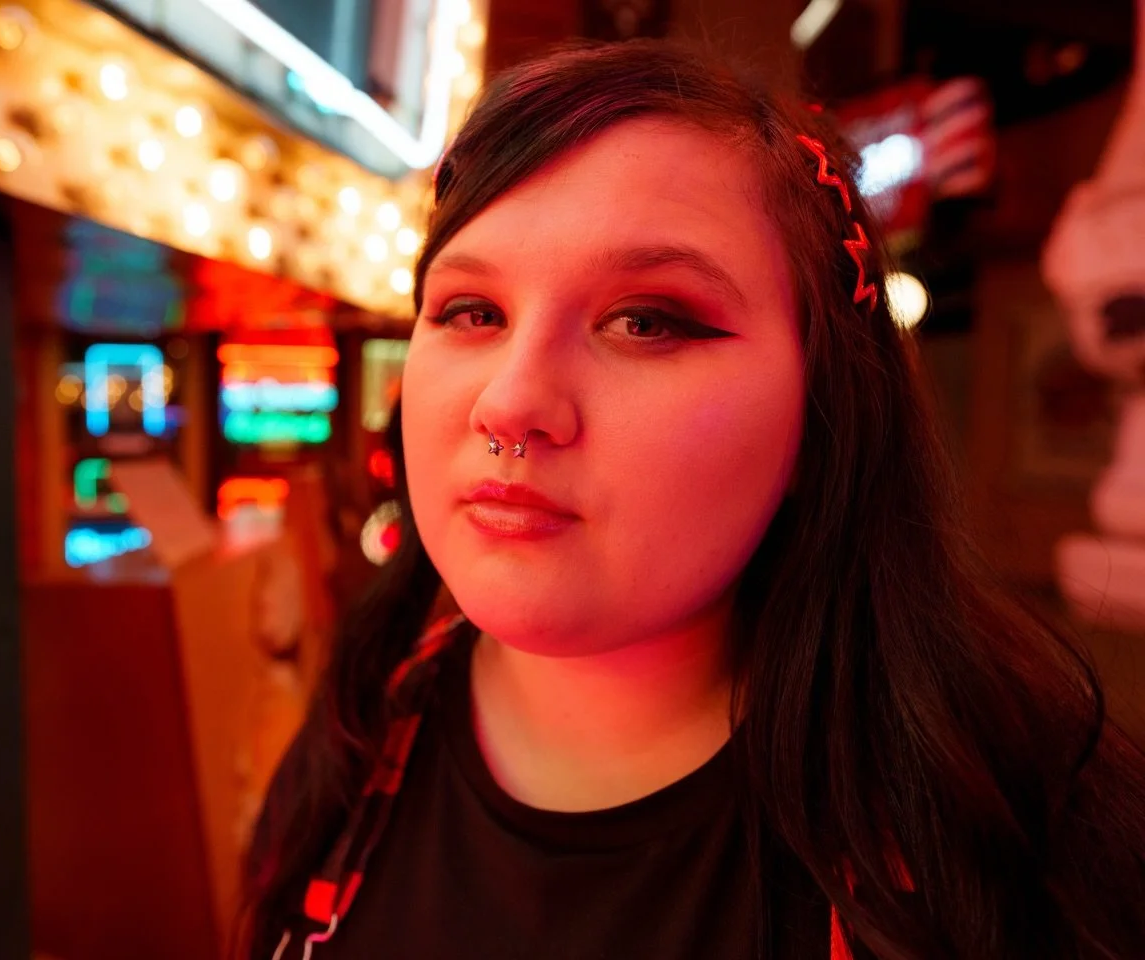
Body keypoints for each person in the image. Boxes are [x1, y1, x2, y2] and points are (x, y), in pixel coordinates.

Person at [240, 38, 1145, 960]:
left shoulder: (1011, 855)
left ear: (823, 411)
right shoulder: (358, 728)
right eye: (474, 312)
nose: (509, 403)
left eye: (647, 321)